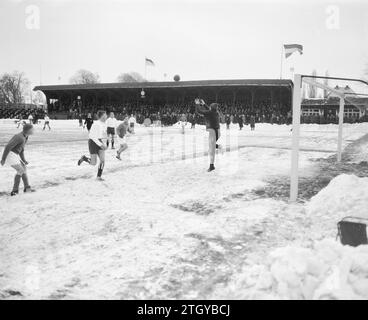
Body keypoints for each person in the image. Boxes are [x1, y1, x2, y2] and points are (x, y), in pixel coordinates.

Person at [1, 124, 35, 196]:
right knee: (20, 170)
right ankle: (14, 191)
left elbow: (21, 150)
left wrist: (24, 160)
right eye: (32, 129)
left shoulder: (25, 137)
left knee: (24, 168)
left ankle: (27, 188)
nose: (34, 131)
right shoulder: (19, 137)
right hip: (10, 154)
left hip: (15, 154)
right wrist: (3, 158)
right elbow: (8, 147)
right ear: (28, 130)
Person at [77, 110, 108, 180]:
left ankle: (98, 176)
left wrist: (103, 144)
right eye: (105, 115)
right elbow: (92, 136)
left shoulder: (104, 124)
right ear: (102, 116)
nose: (106, 116)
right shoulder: (96, 124)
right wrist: (101, 144)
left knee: (102, 161)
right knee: (93, 163)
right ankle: (84, 158)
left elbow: (101, 136)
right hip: (93, 142)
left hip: (99, 141)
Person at [195, 98, 221, 172]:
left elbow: (199, 111)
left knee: (211, 150)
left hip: (213, 132)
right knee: (211, 147)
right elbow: (210, 109)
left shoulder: (209, 113)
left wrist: (197, 104)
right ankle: (217, 146)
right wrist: (204, 104)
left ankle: (212, 166)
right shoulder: (216, 112)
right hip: (217, 132)